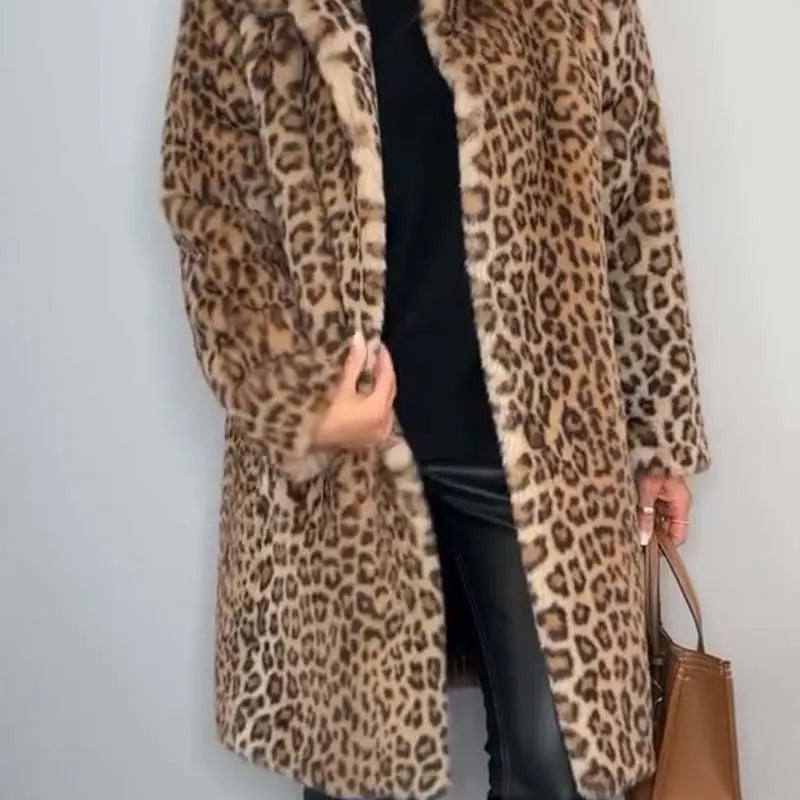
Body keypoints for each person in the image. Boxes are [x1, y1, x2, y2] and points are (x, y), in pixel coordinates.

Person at [159, 0, 710, 798]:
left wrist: (658, 428)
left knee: (554, 763)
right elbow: (212, 207)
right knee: (363, 773)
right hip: (349, 463)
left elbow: (635, 196)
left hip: (536, 444)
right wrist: (301, 402)